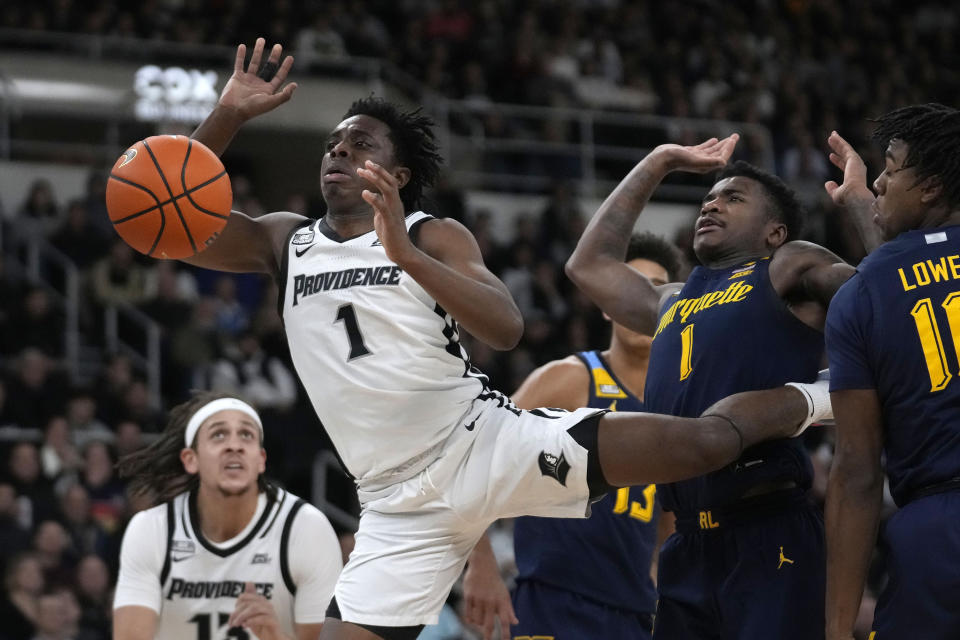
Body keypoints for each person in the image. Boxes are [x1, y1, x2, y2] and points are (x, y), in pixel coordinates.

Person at [181, 39, 833, 639]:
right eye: (334, 144)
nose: (340, 153)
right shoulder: (283, 239)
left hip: (481, 442)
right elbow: (173, 222)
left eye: (360, 144)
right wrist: (226, 118)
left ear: (399, 175)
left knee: (707, 442)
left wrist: (406, 255)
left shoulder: (433, 235)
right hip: (392, 502)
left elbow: (504, 324)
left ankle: (823, 396)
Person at [566, 135, 857, 639]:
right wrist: (657, 163)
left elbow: (881, 299)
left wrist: (825, 396)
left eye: (733, 198)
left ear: (774, 232)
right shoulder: (672, 300)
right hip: (687, 543)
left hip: (768, 529)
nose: (712, 203)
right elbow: (587, 265)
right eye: (708, 197)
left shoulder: (787, 266)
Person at [462, 233, 682, 639]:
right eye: (632, 285)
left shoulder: (674, 405)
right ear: (607, 304)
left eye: (655, 289)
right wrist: (482, 563)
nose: (643, 300)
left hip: (632, 613)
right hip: (552, 600)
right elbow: (475, 452)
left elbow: (668, 517)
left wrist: (657, 577)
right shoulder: (570, 378)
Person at [824, 103, 960, 640]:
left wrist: (836, 629)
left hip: (936, 533)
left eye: (891, 167)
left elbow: (857, 476)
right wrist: (862, 204)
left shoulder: (861, 294)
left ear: (928, 187)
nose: (877, 181)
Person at [112, 391, 342, 640]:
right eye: (218, 435)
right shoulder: (152, 529)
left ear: (261, 459)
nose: (235, 445)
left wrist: (275, 637)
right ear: (191, 459)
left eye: (246, 435)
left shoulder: (305, 529)